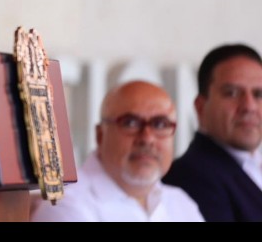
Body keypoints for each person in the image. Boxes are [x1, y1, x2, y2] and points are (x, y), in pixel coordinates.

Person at [31, 80, 204, 222]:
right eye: (130, 123)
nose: (147, 138)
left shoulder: (181, 204)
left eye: (160, 124)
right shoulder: (65, 205)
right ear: (100, 135)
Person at [162, 43, 262, 221]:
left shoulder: (253, 164)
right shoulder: (192, 176)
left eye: (258, 94)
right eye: (232, 93)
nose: (249, 106)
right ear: (201, 107)